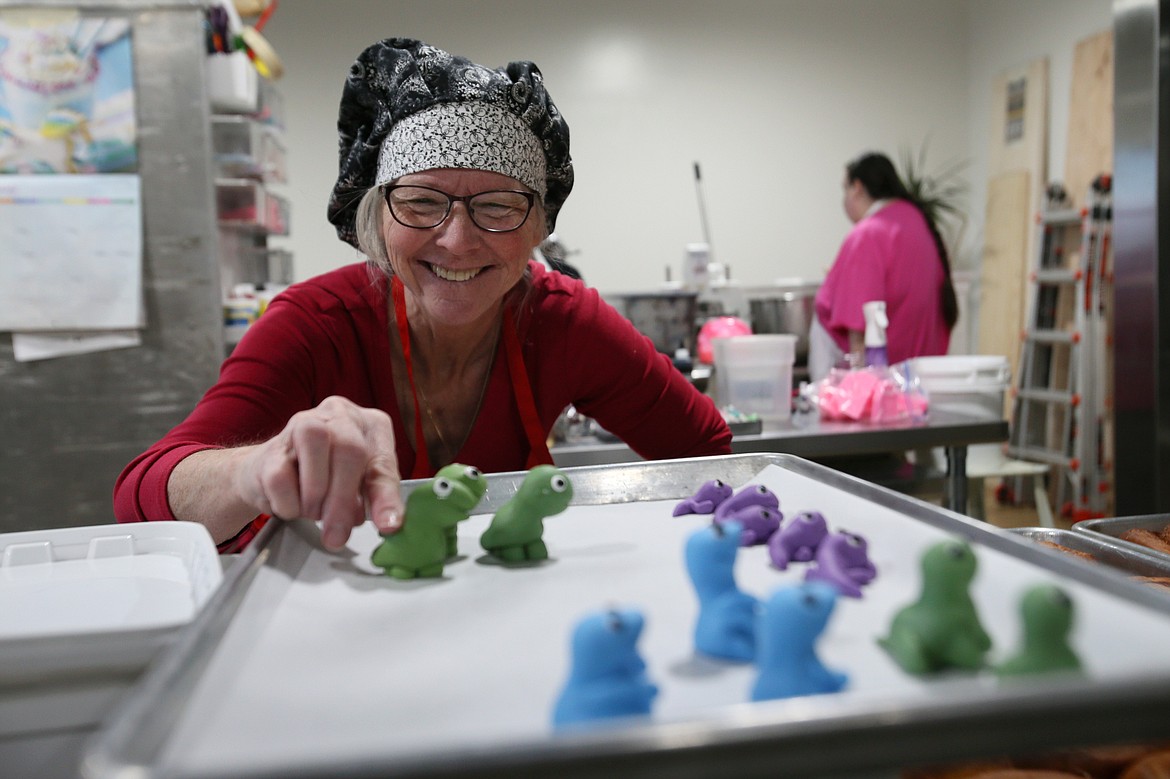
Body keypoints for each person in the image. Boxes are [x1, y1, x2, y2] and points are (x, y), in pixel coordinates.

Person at [113, 38, 732, 553]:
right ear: (377, 218)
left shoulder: (566, 322)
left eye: (498, 206)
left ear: (541, 228)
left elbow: (708, 457)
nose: (458, 241)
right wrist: (253, 468)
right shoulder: (316, 324)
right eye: (421, 202)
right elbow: (142, 498)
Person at [808, 152, 959, 382]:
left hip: (885, 376)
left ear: (856, 188)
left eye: (844, 189)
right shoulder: (916, 220)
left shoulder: (869, 233)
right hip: (919, 376)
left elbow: (858, 328)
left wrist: (860, 389)